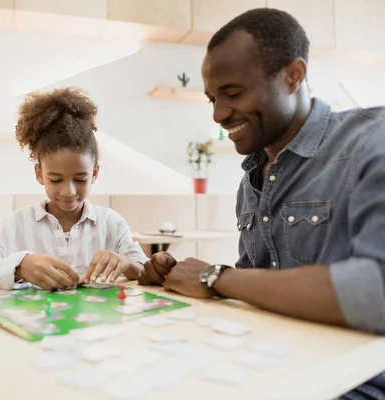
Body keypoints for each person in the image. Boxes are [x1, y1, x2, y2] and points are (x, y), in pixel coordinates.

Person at [138, 8, 385, 399]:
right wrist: (182, 280)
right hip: (268, 372)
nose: (218, 114)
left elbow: (377, 292)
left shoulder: (372, 142)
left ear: (293, 75)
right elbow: (253, 288)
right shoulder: (250, 181)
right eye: (212, 99)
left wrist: (214, 277)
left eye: (233, 93)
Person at [0, 87, 147, 292]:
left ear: (94, 173)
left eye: (80, 179)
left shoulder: (111, 223)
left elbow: (146, 271)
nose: (68, 191)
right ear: (39, 174)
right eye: (55, 180)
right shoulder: (16, 225)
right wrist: (21, 267)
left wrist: (126, 263)